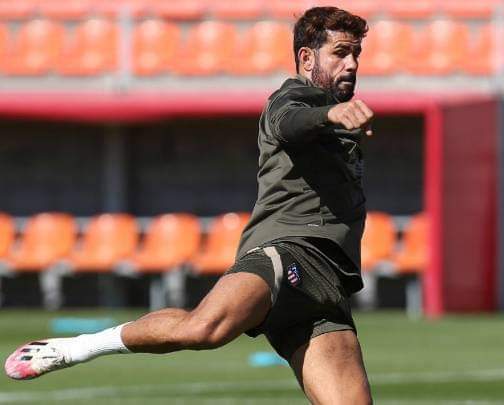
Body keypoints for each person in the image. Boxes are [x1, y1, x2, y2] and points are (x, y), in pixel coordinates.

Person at [5, 7, 374, 404]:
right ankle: (79, 347)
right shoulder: (294, 98)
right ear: (306, 58)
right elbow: (289, 122)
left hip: (329, 284)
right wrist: (329, 113)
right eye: (340, 52)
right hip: (289, 252)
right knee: (204, 329)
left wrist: (335, 116)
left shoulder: (340, 120)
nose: (352, 63)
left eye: (356, 53)